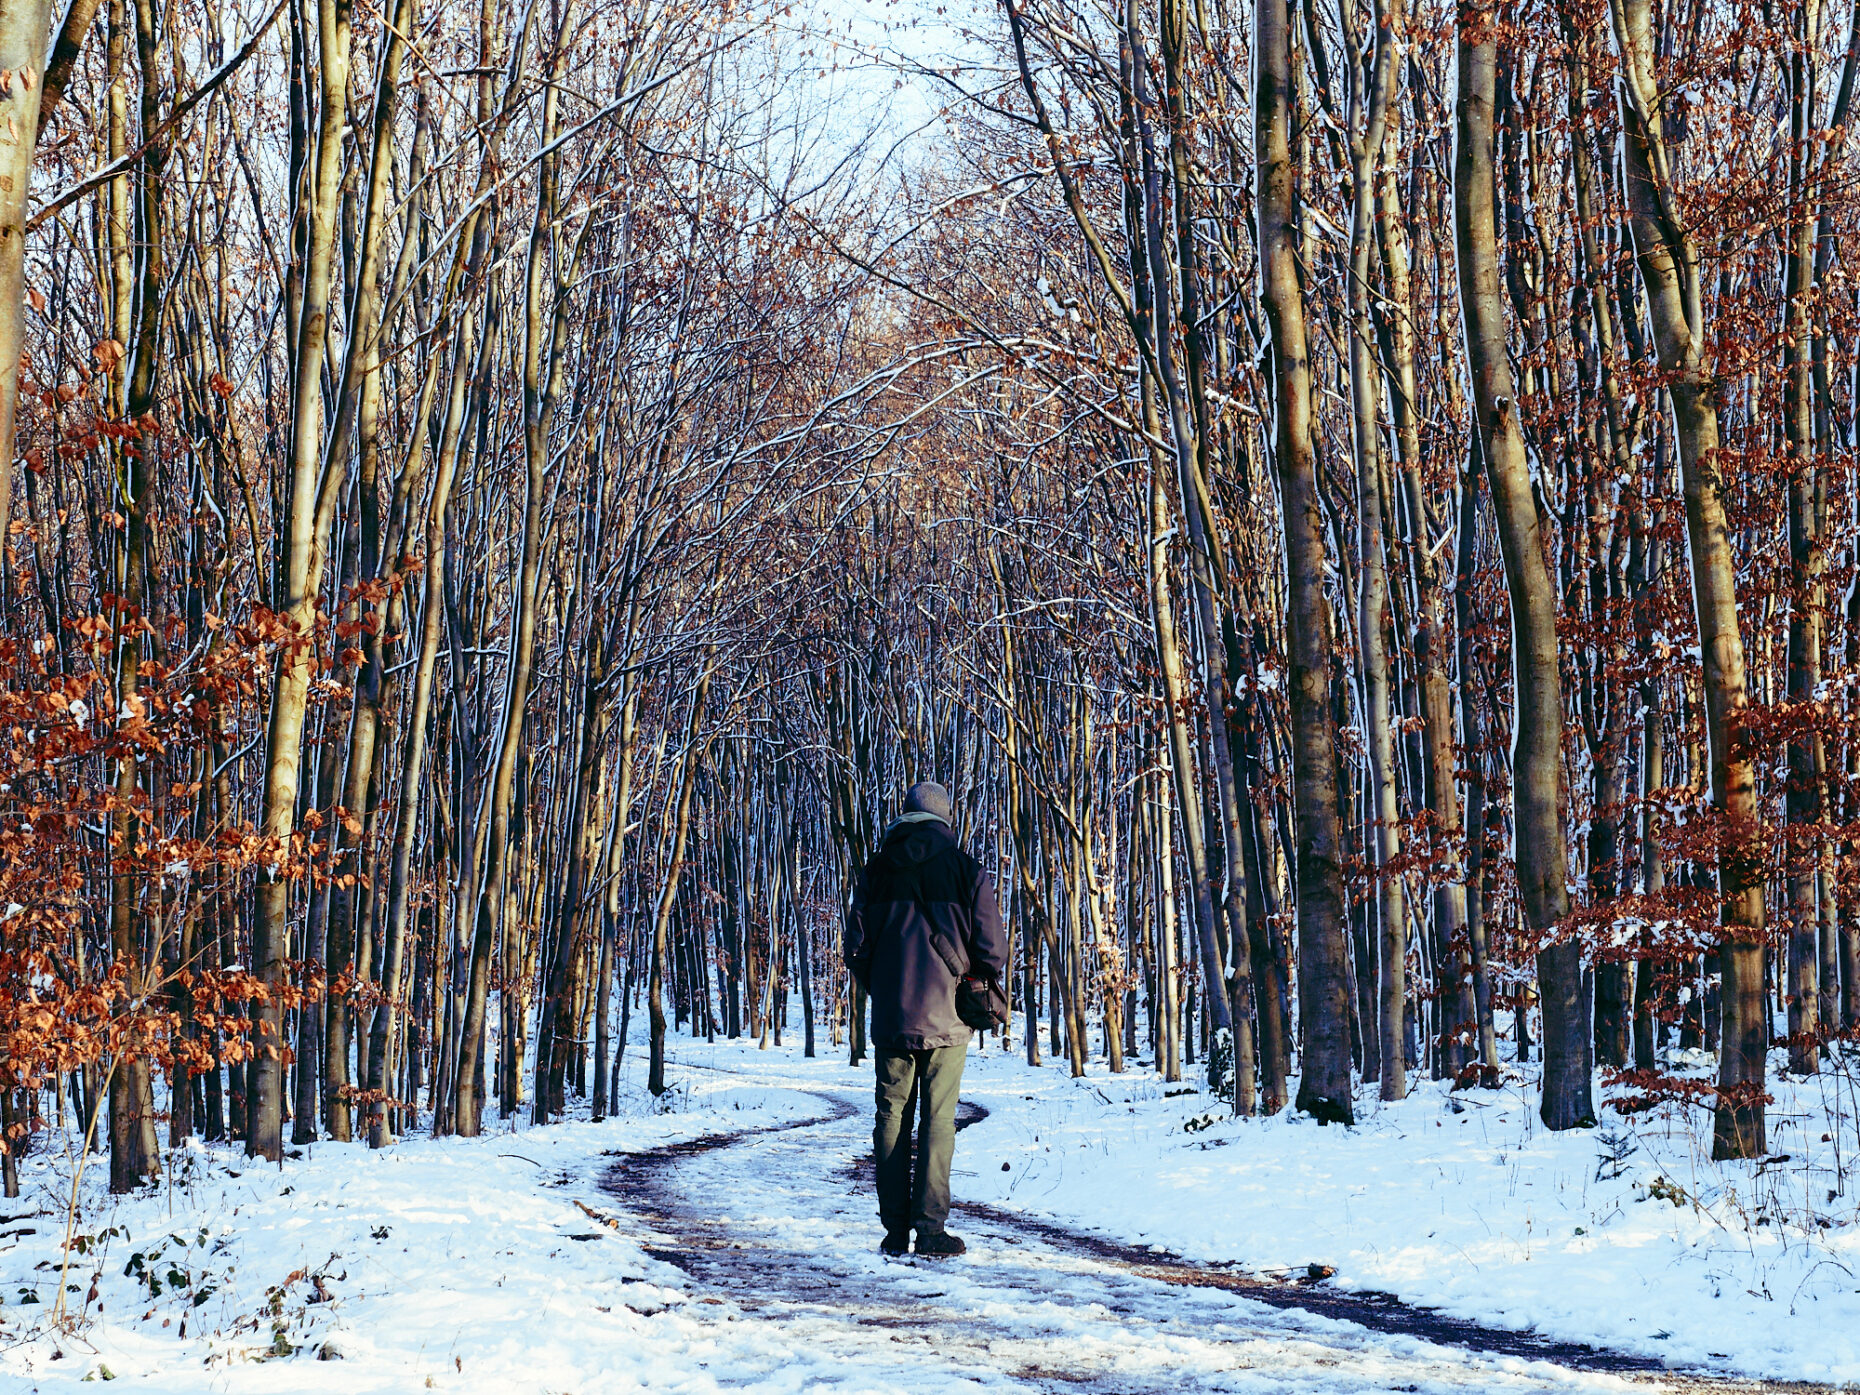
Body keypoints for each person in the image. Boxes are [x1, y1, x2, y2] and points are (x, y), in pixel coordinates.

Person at [843, 780, 1008, 1258]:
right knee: (939, 1121)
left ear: (905, 817)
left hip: (893, 1017)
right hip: (948, 1019)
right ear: (945, 820)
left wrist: (885, 987)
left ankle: (894, 1231)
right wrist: (966, 982)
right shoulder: (966, 871)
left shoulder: (875, 870)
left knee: (891, 1117)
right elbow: (992, 950)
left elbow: (856, 947)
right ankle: (931, 1231)